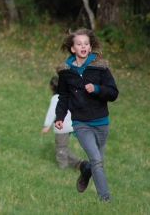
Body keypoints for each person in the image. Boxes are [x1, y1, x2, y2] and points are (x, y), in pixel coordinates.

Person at [54, 28, 119, 202]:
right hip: (81, 123)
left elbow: (113, 93)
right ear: (72, 49)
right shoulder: (65, 73)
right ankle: (105, 200)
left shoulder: (101, 69)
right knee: (97, 160)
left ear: (90, 48)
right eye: (79, 44)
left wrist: (97, 89)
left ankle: (85, 169)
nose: (83, 46)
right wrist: (59, 117)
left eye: (86, 44)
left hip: (102, 122)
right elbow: (64, 97)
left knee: (96, 162)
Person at [42, 76, 84, 170]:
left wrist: (47, 125)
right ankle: (79, 163)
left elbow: (52, 112)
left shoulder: (56, 98)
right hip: (70, 124)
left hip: (62, 126)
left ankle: (63, 167)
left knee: (60, 148)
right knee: (63, 146)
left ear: (51, 87)